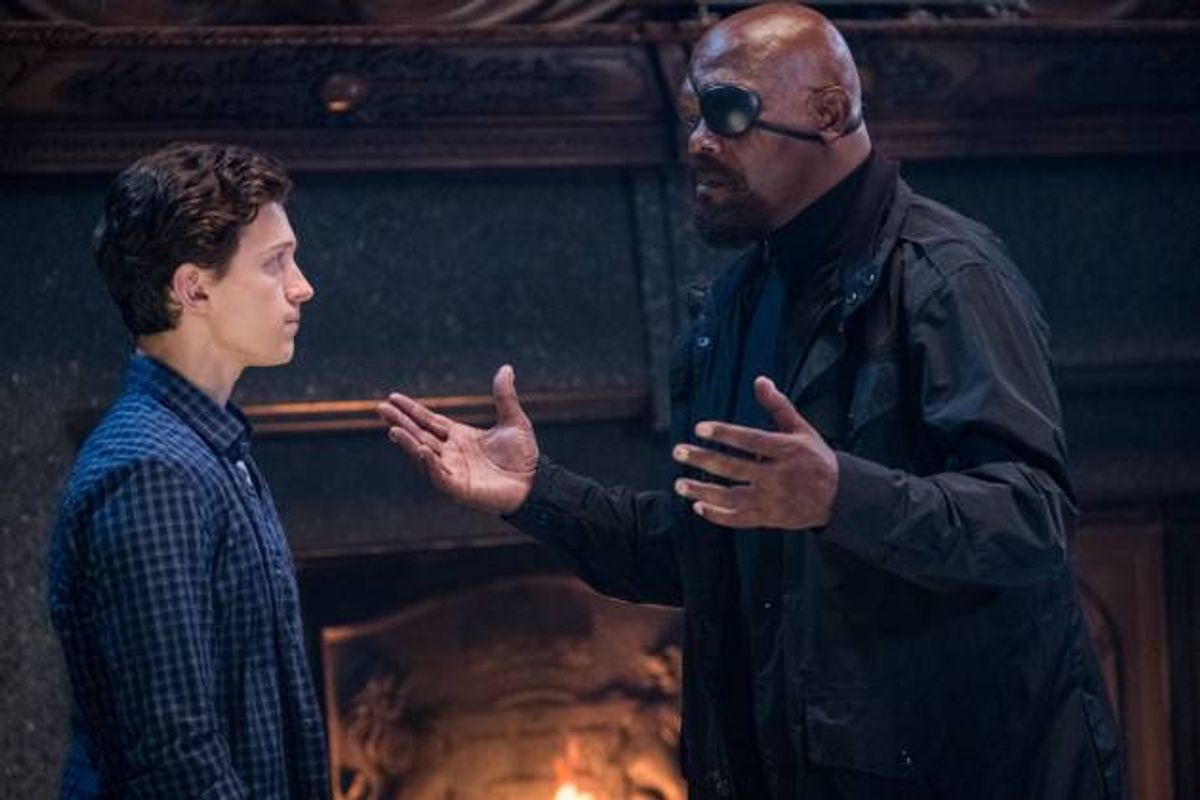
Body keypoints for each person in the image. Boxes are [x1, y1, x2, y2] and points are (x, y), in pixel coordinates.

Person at [376, 5, 1125, 799]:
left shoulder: (948, 277)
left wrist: (840, 495)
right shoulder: (738, 305)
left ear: (828, 112)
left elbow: (1032, 518)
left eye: (728, 111)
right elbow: (701, 556)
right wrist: (536, 493)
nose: (699, 140)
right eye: (693, 116)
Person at [48, 142, 330, 799]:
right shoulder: (152, 471)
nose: (302, 286)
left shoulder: (212, 446)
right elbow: (175, 759)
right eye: (275, 262)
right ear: (193, 288)